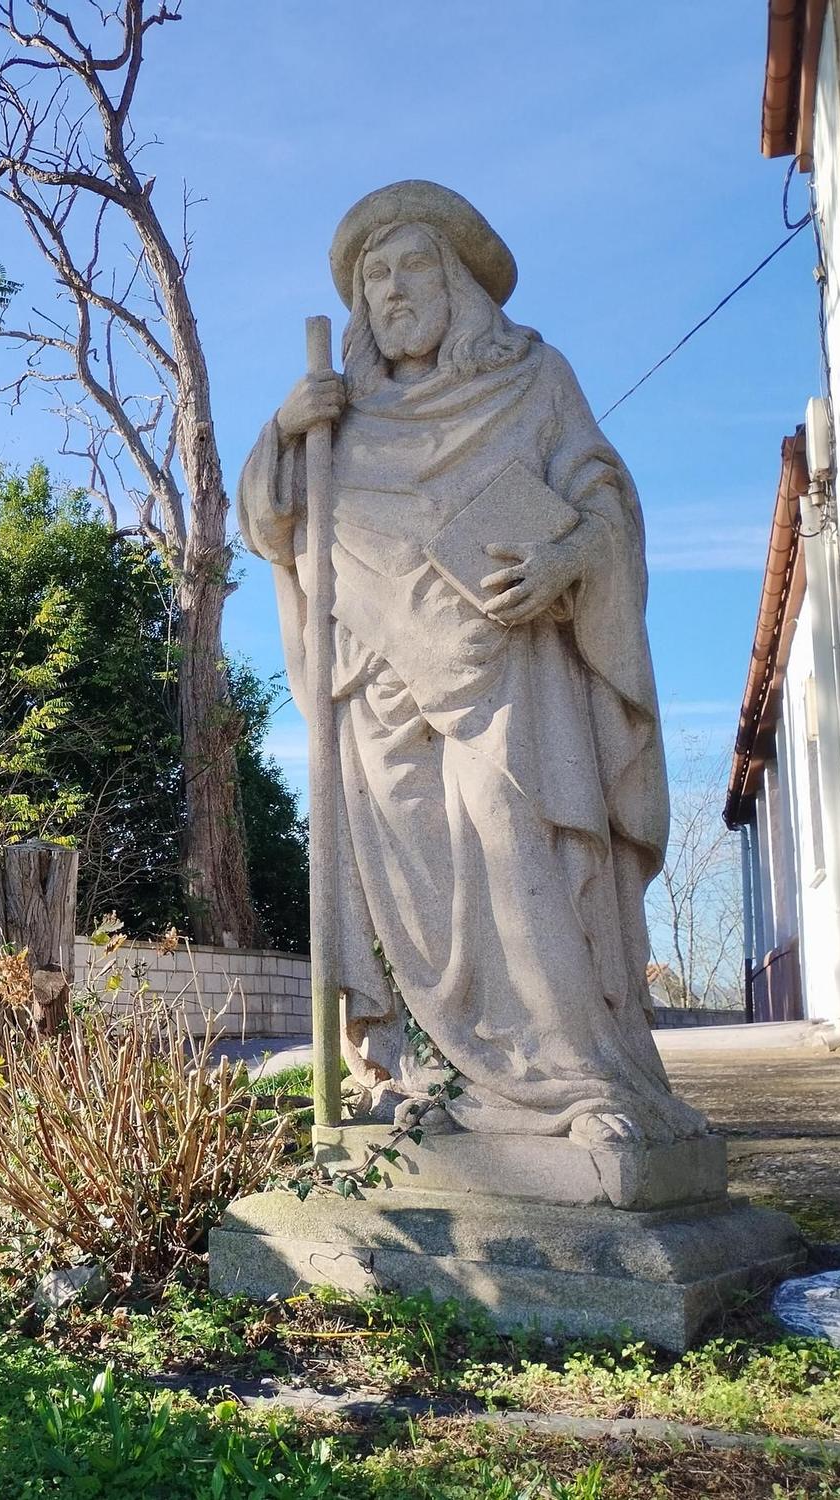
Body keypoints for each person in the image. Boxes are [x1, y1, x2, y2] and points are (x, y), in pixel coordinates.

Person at [239, 180, 705, 1147]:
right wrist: (283, 431)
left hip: (504, 669)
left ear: (457, 280)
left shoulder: (532, 380)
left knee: (515, 844)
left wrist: (566, 559)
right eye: (375, 276)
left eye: (413, 265)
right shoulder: (335, 416)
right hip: (374, 688)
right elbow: (272, 527)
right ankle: (443, 1077)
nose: (394, 289)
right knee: (416, 895)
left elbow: (601, 493)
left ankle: (580, 1080)